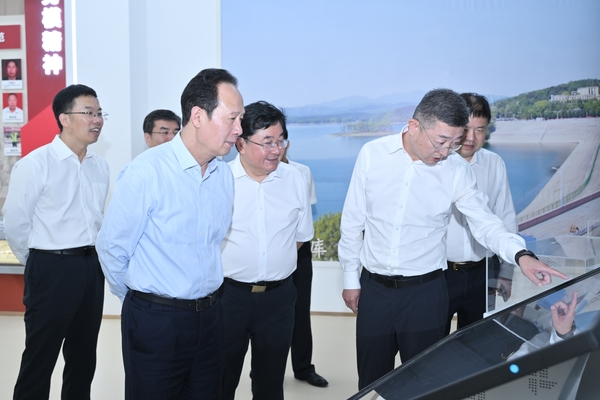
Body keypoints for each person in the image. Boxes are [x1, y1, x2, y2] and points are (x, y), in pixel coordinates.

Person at [338, 88, 568, 389]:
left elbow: (486, 222)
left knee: (425, 384)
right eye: (442, 141)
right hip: (375, 290)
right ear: (414, 126)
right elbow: (353, 221)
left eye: (454, 143)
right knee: (371, 380)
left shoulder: (456, 170)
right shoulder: (373, 154)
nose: (447, 151)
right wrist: (350, 278)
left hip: (426, 293)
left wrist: (521, 255)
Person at [96, 68, 244, 400]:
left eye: (241, 119)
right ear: (198, 116)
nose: (239, 129)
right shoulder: (146, 172)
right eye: (232, 118)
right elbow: (112, 249)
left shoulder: (222, 175)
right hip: (156, 322)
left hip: (210, 316)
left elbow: (213, 241)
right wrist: (141, 301)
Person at [3, 84, 109, 400]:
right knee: (40, 358)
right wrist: (40, 263)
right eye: (88, 113)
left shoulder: (99, 165)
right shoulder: (35, 164)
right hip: (51, 268)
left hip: (91, 268)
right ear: (64, 118)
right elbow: (16, 225)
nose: (97, 120)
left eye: (100, 113)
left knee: (83, 358)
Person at [220, 101, 313, 400]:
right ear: (241, 144)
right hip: (228, 297)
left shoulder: (295, 178)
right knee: (220, 380)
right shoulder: (219, 181)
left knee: (271, 383)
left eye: (281, 140)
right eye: (267, 142)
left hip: (278, 299)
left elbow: (299, 238)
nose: (276, 150)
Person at [445, 93, 517, 334]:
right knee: (433, 345)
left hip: (483, 273)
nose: (471, 138)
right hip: (440, 274)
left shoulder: (495, 163)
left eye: (480, 130)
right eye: (466, 129)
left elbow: (506, 217)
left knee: (476, 342)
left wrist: (506, 271)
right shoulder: (436, 164)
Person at [280, 130, 328, 387]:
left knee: (300, 311)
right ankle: (265, 371)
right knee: (268, 316)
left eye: (279, 141)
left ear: (287, 143)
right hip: (268, 254)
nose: (275, 147)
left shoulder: (301, 172)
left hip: (299, 251)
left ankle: (303, 368)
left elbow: (305, 215)